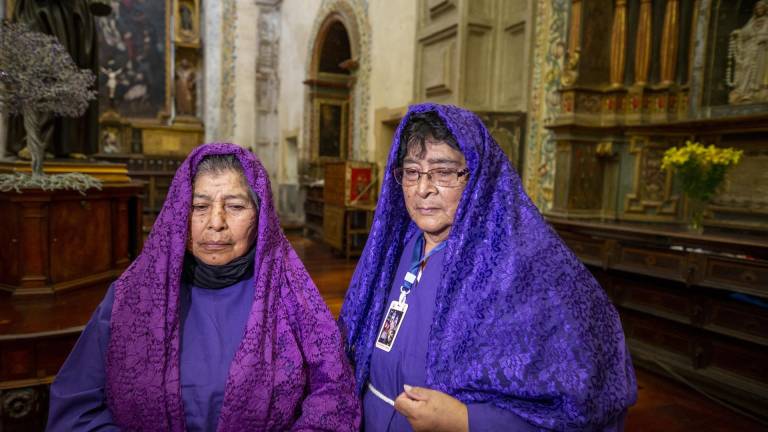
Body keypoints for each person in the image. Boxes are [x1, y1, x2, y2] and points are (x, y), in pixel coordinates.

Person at [339, 104, 636, 431]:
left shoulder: (525, 267)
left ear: (478, 176)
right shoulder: (391, 251)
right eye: (412, 172)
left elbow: (584, 400)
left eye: (444, 172)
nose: (423, 189)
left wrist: (467, 420)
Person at [47, 143, 360, 431]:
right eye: (199, 207)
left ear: (261, 216)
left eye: (235, 206)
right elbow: (77, 409)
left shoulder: (294, 296)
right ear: (179, 213)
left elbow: (333, 397)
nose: (216, 222)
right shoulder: (130, 296)